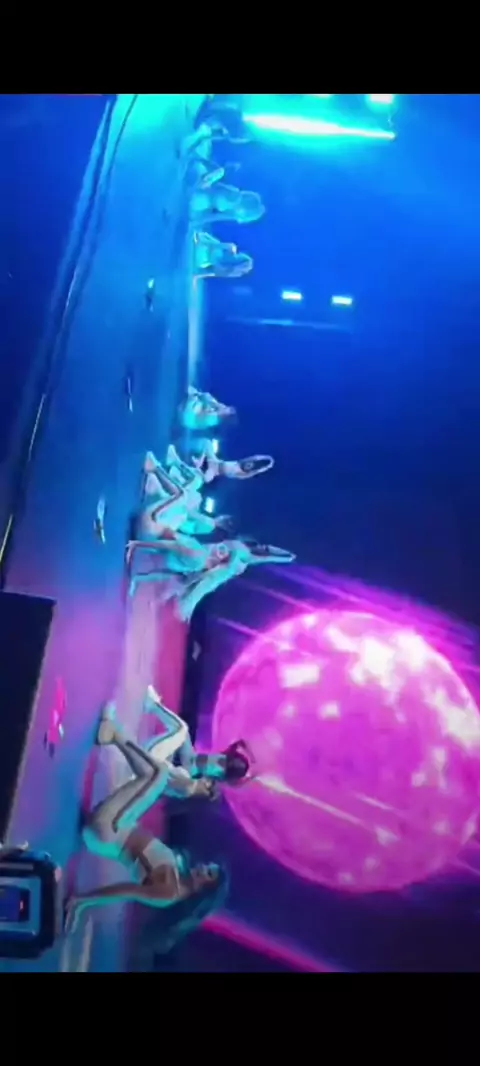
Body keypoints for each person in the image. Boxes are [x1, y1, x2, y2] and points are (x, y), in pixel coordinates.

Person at [64, 706, 229, 937]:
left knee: (157, 774)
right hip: (118, 824)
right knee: (157, 776)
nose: (202, 867)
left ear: (203, 891)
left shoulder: (169, 892)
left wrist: (81, 901)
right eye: (208, 867)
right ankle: (113, 734)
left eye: (207, 874)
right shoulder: (179, 873)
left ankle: (113, 734)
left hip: (107, 831)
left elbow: (124, 891)